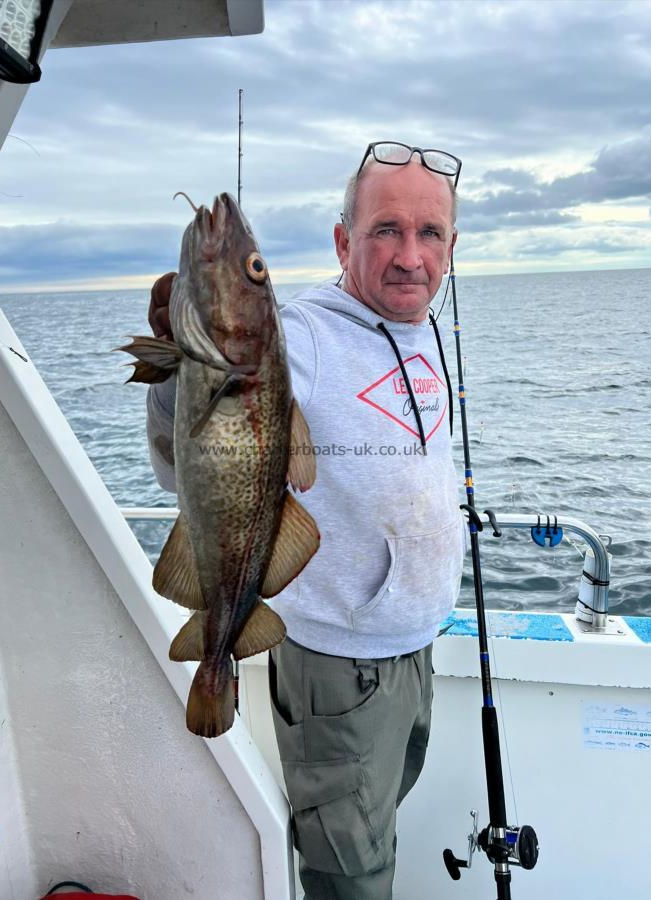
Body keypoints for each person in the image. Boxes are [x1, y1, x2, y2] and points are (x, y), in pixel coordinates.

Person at [146, 142, 464, 900]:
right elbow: (181, 457)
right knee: (348, 874)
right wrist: (174, 375)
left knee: (375, 828)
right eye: (386, 229)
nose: (410, 256)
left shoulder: (419, 329)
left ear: (451, 248)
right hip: (339, 669)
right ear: (341, 241)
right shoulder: (302, 337)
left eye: (432, 234)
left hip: (413, 650)